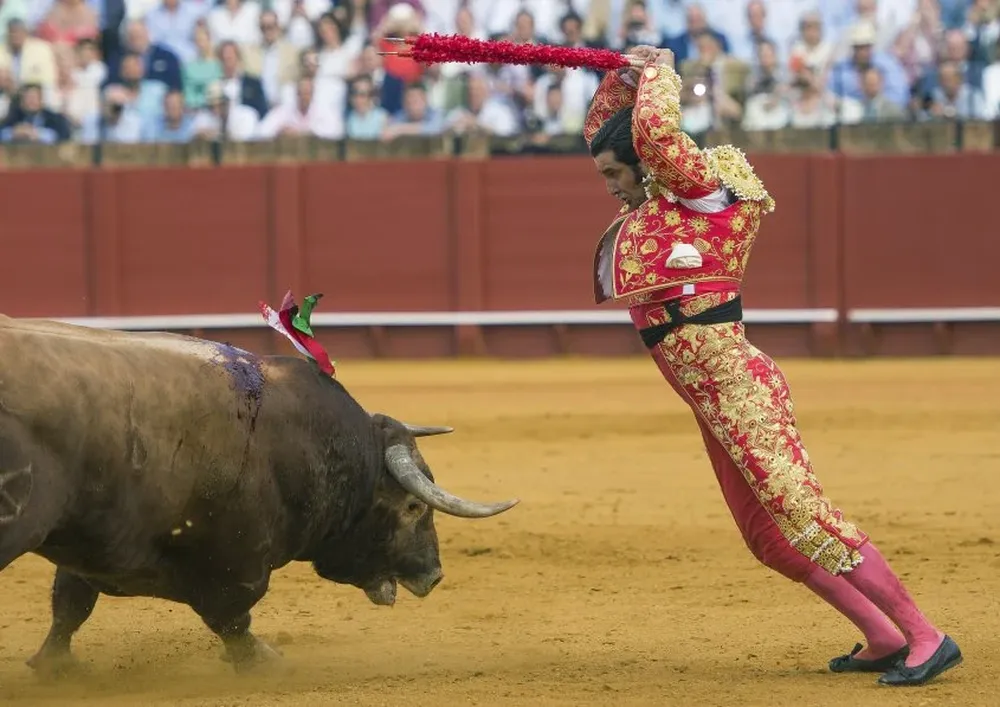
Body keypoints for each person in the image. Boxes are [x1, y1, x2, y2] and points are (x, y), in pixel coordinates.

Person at [584, 44, 962, 687]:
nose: (613, 187)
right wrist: (621, 75)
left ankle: (927, 634)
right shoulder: (663, 202)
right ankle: (882, 634)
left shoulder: (701, 191)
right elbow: (606, 128)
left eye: (618, 174)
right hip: (710, 398)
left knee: (804, 512)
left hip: (737, 386)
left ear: (650, 168)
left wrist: (659, 71)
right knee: (767, 537)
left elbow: (650, 130)